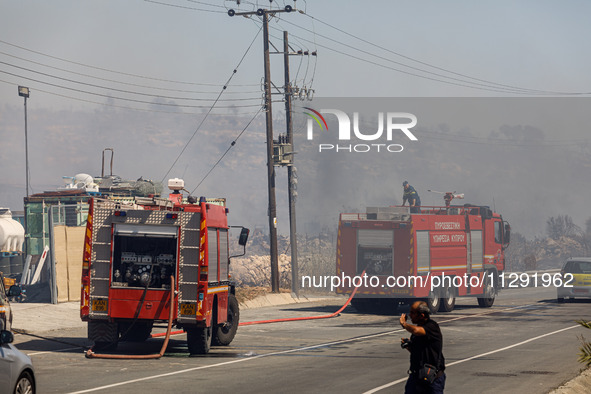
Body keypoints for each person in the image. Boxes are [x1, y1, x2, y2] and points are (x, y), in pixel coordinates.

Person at [400, 301, 446, 394]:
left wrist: (404, 324)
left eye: (413, 313)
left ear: (422, 315)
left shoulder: (432, 326)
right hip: (416, 376)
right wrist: (408, 345)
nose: (410, 315)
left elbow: (417, 331)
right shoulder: (419, 329)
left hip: (432, 378)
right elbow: (417, 350)